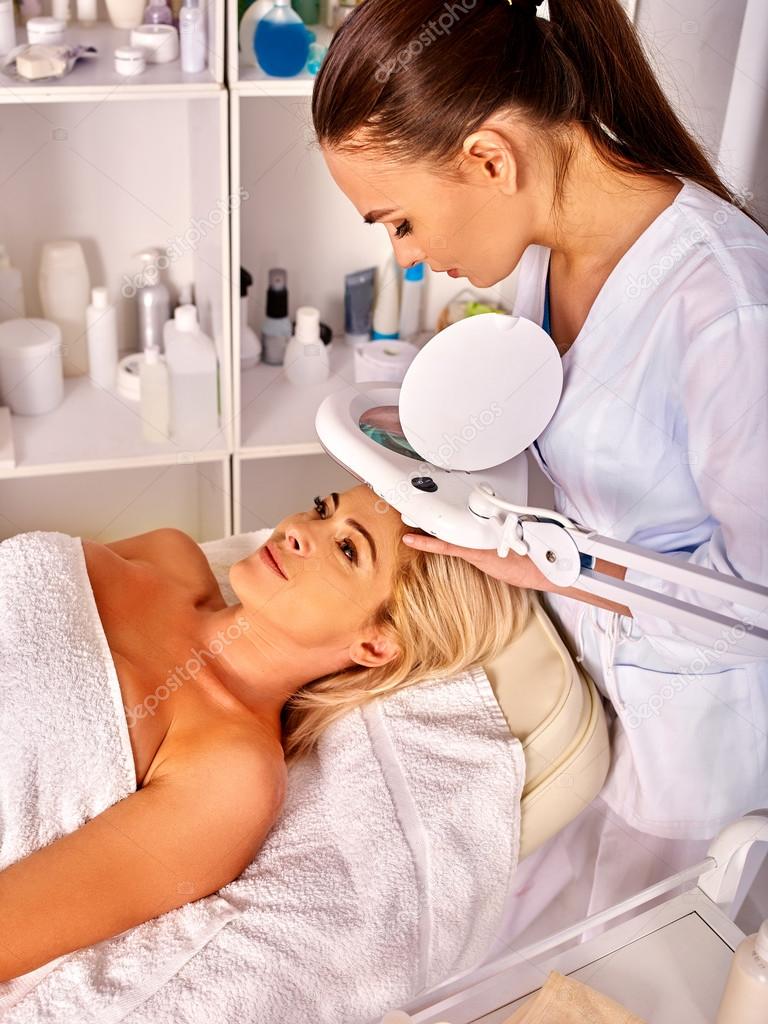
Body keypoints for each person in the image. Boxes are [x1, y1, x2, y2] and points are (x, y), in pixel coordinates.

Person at [311, 0, 768, 932]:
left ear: (487, 158)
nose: (406, 257)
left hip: (689, 751)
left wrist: (551, 559)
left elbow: (760, 606)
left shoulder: (727, 310)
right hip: (581, 689)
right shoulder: (542, 258)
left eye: (399, 222)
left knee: (631, 970)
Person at [0, 485, 529, 983]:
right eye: (323, 508)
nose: (300, 529)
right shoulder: (168, 553)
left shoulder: (230, 776)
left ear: (375, 646)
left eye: (347, 550)